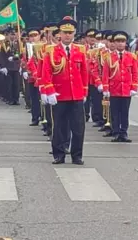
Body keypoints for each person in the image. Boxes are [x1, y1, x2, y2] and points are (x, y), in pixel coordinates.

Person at [41, 19, 88, 165]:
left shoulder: (80, 50)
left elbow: (84, 72)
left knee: (78, 127)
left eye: (70, 33)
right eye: (65, 33)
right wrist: (49, 91)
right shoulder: (51, 50)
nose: (68, 36)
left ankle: (77, 155)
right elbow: (46, 72)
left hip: (76, 94)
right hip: (59, 95)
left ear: (74, 33)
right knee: (59, 127)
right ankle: (59, 154)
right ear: (60, 34)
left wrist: (84, 92)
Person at [102, 31, 138, 143]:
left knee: (125, 112)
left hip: (126, 89)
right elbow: (105, 74)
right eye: (118, 41)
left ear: (126, 43)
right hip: (114, 89)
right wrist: (106, 89)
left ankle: (124, 132)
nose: (120, 44)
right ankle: (116, 132)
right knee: (114, 112)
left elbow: (135, 73)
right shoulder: (108, 57)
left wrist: (134, 88)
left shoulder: (131, 56)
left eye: (122, 41)